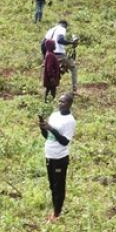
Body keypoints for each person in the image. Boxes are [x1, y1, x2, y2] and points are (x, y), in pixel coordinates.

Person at [39, 93, 76, 222]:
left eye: (63, 102)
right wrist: (43, 127)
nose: (60, 104)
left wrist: (51, 128)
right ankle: (55, 211)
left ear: (70, 104)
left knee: (58, 186)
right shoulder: (54, 116)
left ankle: (57, 214)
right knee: (52, 185)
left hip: (60, 157)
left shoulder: (70, 121)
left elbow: (65, 141)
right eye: (59, 101)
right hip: (49, 155)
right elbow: (48, 136)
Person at [44, 20, 79, 92]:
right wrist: (71, 42)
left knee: (56, 70)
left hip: (49, 54)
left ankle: (50, 89)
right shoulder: (62, 29)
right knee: (73, 67)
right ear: (65, 25)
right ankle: (74, 88)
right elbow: (60, 40)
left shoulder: (51, 30)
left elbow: (43, 44)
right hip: (59, 54)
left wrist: (45, 56)